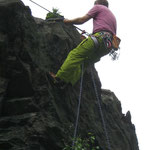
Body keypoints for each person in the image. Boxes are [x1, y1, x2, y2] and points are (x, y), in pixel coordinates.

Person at [49, 0, 117, 88]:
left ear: (97, 3)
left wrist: (67, 21)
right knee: (84, 64)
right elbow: (106, 31)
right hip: (107, 46)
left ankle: (59, 78)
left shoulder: (98, 7)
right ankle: (68, 83)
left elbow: (82, 20)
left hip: (99, 38)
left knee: (75, 55)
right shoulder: (112, 17)